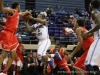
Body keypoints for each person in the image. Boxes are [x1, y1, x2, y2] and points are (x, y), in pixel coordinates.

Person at [0, 0, 30, 75]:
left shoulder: (17, 13)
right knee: (4, 54)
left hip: (13, 35)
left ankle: (4, 72)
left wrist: (28, 13)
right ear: (17, 6)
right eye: (19, 6)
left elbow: (22, 14)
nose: (20, 7)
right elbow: (2, 9)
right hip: (7, 34)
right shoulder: (12, 11)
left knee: (13, 55)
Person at [83, 0, 100, 75]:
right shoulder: (97, 13)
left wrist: (88, 32)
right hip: (98, 38)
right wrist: (88, 34)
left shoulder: (94, 12)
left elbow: (99, 24)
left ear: (91, 5)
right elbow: (96, 29)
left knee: (88, 63)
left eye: (89, 5)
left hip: (98, 40)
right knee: (95, 65)